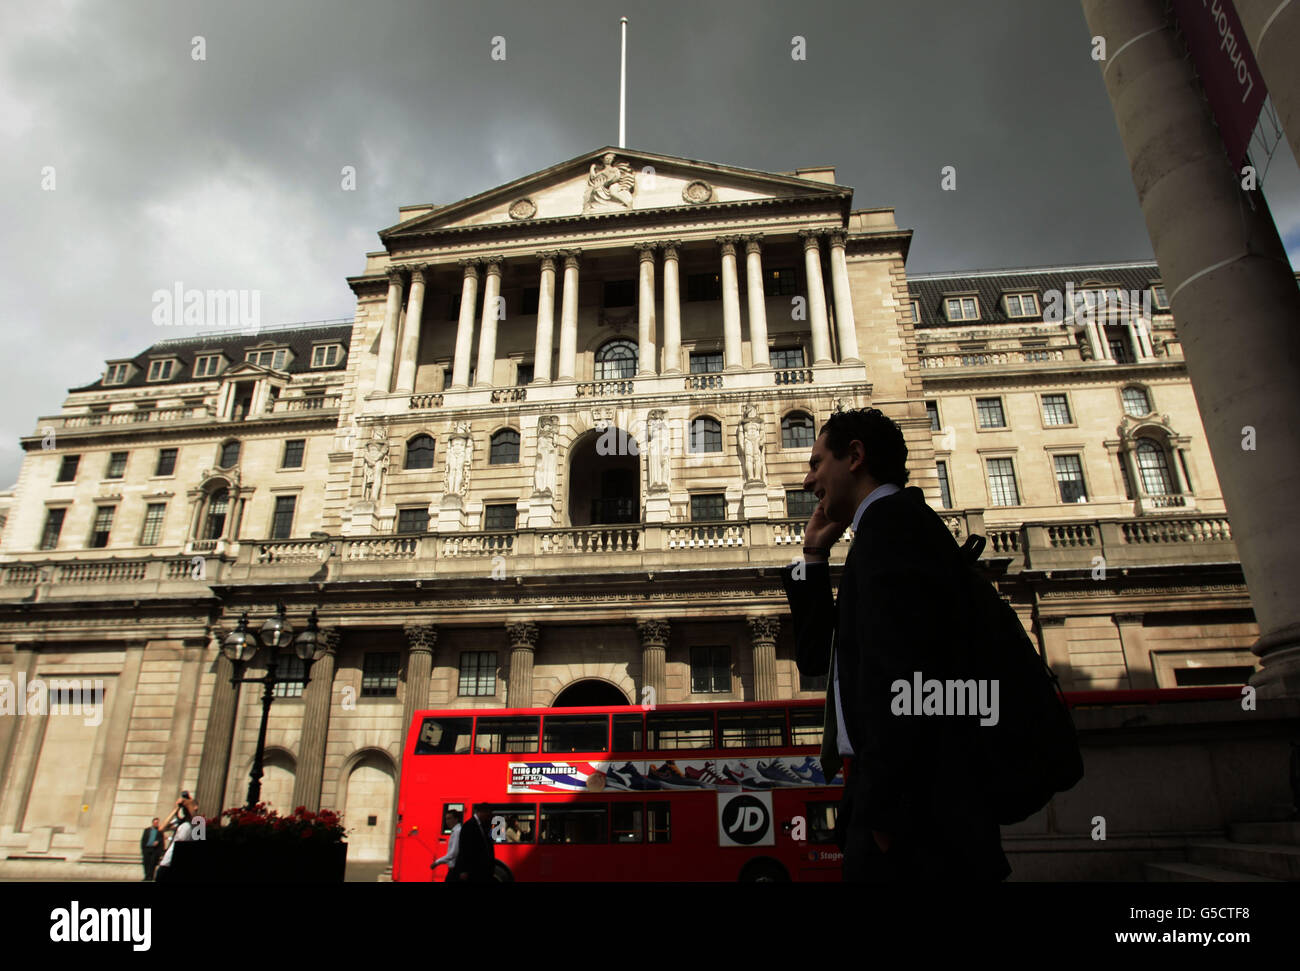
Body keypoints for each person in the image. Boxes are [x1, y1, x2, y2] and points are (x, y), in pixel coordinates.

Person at [780, 408, 1009, 882]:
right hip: (900, 803)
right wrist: (813, 557)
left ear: (855, 457)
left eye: (817, 462)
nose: (808, 481)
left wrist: (885, 815)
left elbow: (907, 679)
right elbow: (816, 658)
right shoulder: (882, 531)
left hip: (914, 815)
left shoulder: (895, 528)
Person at [154, 791, 200, 881]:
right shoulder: (180, 821)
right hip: (168, 861)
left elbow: (195, 818)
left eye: (190, 805)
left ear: (196, 807)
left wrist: (187, 803)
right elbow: (161, 828)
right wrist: (176, 809)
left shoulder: (198, 822)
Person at [451, 804, 497, 883]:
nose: (489, 817)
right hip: (474, 868)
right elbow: (464, 849)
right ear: (482, 812)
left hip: (482, 868)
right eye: (488, 814)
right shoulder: (469, 825)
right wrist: (464, 870)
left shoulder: (482, 825)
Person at [431, 809, 462, 882]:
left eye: (449, 818)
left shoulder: (457, 832)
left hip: (455, 870)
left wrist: (437, 862)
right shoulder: (456, 831)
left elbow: (453, 853)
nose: (447, 822)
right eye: (446, 819)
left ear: (456, 819)